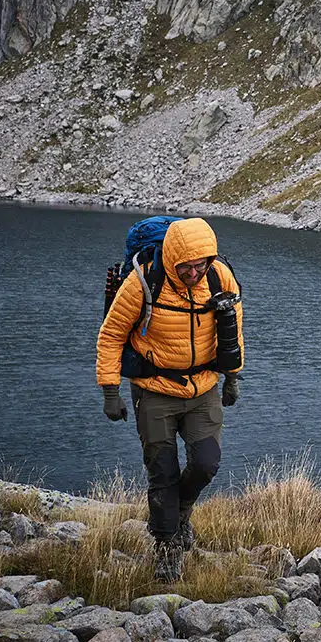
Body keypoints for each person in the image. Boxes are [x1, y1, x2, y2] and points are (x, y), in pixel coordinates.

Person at [95, 217, 243, 582]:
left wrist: (233, 377)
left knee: (206, 463)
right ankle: (167, 552)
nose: (194, 272)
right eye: (186, 266)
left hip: (203, 387)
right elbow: (112, 334)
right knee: (162, 474)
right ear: (172, 257)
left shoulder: (219, 276)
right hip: (154, 389)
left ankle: (180, 514)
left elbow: (233, 326)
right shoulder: (144, 280)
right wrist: (110, 391)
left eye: (201, 264)